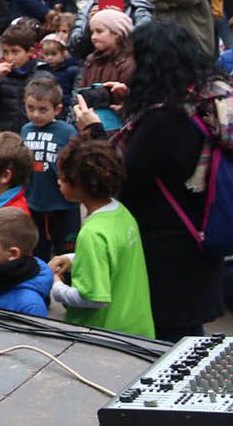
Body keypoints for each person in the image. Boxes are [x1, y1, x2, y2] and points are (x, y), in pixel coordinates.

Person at [73, 20, 228, 339]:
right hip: (192, 240)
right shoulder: (195, 105)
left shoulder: (164, 121)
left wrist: (93, 131)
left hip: (167, 252)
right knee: (186, 334)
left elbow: (122, 176)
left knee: (169, 341)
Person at [49, 138, 156, 337]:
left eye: (63, 177)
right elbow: (112, 257)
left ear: (81, 184)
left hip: (105, 336)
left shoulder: (92, 233)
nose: (58, 181)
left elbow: (93, 298)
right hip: (136, 327)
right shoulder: (121, 213)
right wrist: (73, 259)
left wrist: (56, 285)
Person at [20, 77, 78, 261]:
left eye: (43, 109)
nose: (36, 114)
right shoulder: (26, 130)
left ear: (57, 109)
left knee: (67, 252)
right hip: (34, 202)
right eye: (30, 108)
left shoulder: (67, 131)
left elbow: (75, 163)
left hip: (62, 204)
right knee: (37, 254)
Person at [0, 21, 44, 134]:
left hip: (34, 133)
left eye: (15, 52)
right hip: (6, 133)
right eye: (6, 52)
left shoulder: (42, 75)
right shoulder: (1, 76)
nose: (10, 57)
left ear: (30, 51)